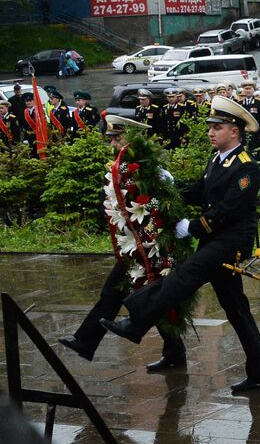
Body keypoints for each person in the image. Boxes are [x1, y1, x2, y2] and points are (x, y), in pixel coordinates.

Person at [101, 97, 260, 394]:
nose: (211, 132)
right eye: (210, 127)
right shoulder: (217, 159)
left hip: (230, 243)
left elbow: (227, 210)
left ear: (235, 131)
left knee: (184, 276)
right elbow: (199, 191)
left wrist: (191, 228)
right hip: (215, 240)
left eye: (217, 127)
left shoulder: (246, 168)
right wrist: (170, 183)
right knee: (236, 309)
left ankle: (137, 321)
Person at [58, 115, 188, 371]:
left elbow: (164, 205)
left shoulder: (151, 170)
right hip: (133, 245)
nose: (114, 145)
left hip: (152, 246)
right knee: (115, 292)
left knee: (151, 299)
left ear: (132, 138)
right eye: (111, 139)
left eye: (118, 138)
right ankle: (86, 341)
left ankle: (174, 352)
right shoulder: (124, 168)